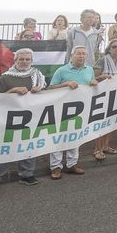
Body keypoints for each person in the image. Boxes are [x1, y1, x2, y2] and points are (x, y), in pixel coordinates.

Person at [0, 49, 46, 193]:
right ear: (15, 60)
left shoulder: (38, 76)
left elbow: (46, 95)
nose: (24, 62)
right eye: (21, 59)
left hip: (30, 119)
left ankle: (27, 174)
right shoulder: (6, 78)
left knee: (28, 146)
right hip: (7, 119)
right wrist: (13, 91)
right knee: (4, 148)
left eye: (27, 59)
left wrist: (40, 91)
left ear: (32, 61)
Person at [46, 47, 95, 178]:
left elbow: (91, 84)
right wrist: (66, 84)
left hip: (80, 109)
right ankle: (56, 167)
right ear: (72, 56)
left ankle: (71, 164)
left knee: (75, 136)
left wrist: (94, 82)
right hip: (61, 109)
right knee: (58, 136)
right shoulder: (61, 70)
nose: (81, 56)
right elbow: (50, 88)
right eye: (78, 54)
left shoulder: (89, 70)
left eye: (84, 54)